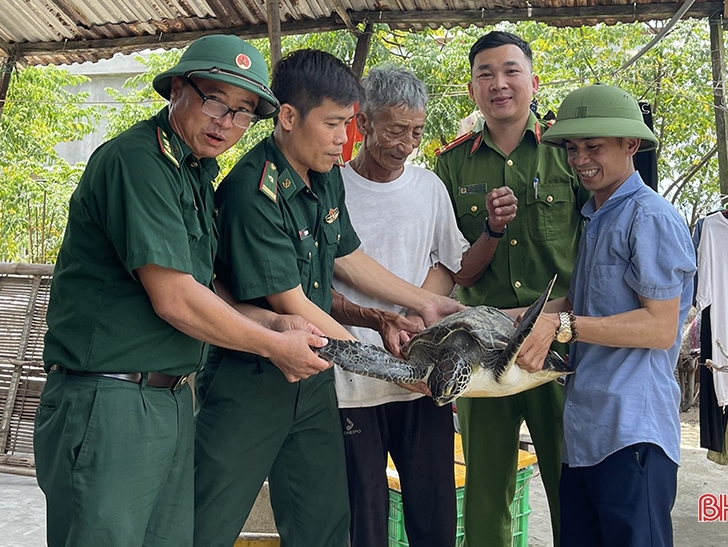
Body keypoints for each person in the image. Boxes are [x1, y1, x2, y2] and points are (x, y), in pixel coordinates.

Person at [33, 35, 333, 547]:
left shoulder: (192, 173)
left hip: (170, 398)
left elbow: (203, 287)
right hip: (110, 399)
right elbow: (173, 297)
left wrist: (273, 321)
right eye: (215, 100)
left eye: (242, 113)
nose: (226, 122)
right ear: (176, 88)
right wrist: (271, 344)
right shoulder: (137, 161)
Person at [192, 49, 463, 547]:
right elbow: (293, 303)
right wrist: (402, 372)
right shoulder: (254, 192)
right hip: (254, 379)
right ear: (289, 118)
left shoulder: (324, 174)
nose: (345, 138)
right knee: (205, 519)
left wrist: (420, 304)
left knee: (326, 525)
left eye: (349, 124)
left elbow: (349, 257)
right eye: (335, 124)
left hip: (314, 382)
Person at [330, 64, 516, 547]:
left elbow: (453, 268)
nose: (406, 143)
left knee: (433, 515)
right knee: (362, 517)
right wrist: (407, 307)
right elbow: (326, 277)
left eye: (416, 130)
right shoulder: (331, 188)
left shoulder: (428, 187)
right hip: (353, 381)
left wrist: (492, 231)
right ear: (363, 122)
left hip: (423, 379)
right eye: (395, 129)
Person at [517, 83, 696, 547]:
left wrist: (562, 327)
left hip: (633, 433)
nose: (579, 160)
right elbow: (579, 305)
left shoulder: (649, 217)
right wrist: (488, 316)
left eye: (593, 147)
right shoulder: (598, 216)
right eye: (573, 148)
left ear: (630, 145)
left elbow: (659, 327)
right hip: (585, 432)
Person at [433, 31, 589, 547]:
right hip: (482, 351)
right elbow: (454, 268)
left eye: (510, 71)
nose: (499, 83)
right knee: (485, 488)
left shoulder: (569, 153)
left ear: (533, 81)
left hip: (558, 345)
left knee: (573, 478)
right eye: (485, 74)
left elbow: (592, 250)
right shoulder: (451, 164)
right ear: (473, 90)